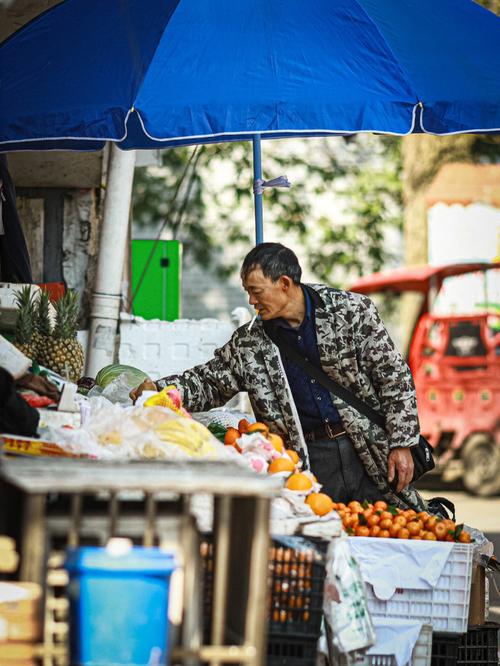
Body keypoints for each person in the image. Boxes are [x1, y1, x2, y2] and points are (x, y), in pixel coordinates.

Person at [132, 243, 425, 509]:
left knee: (393, 528)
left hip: (367, 448)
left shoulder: (350, 312)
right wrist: (158, 391)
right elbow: (209, 381)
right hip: (308, 459)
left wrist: (402, 442)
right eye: (248, 292)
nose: (251, 301)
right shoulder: (250, 343)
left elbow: (394, 377)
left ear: (284, 284)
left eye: (256, 291)